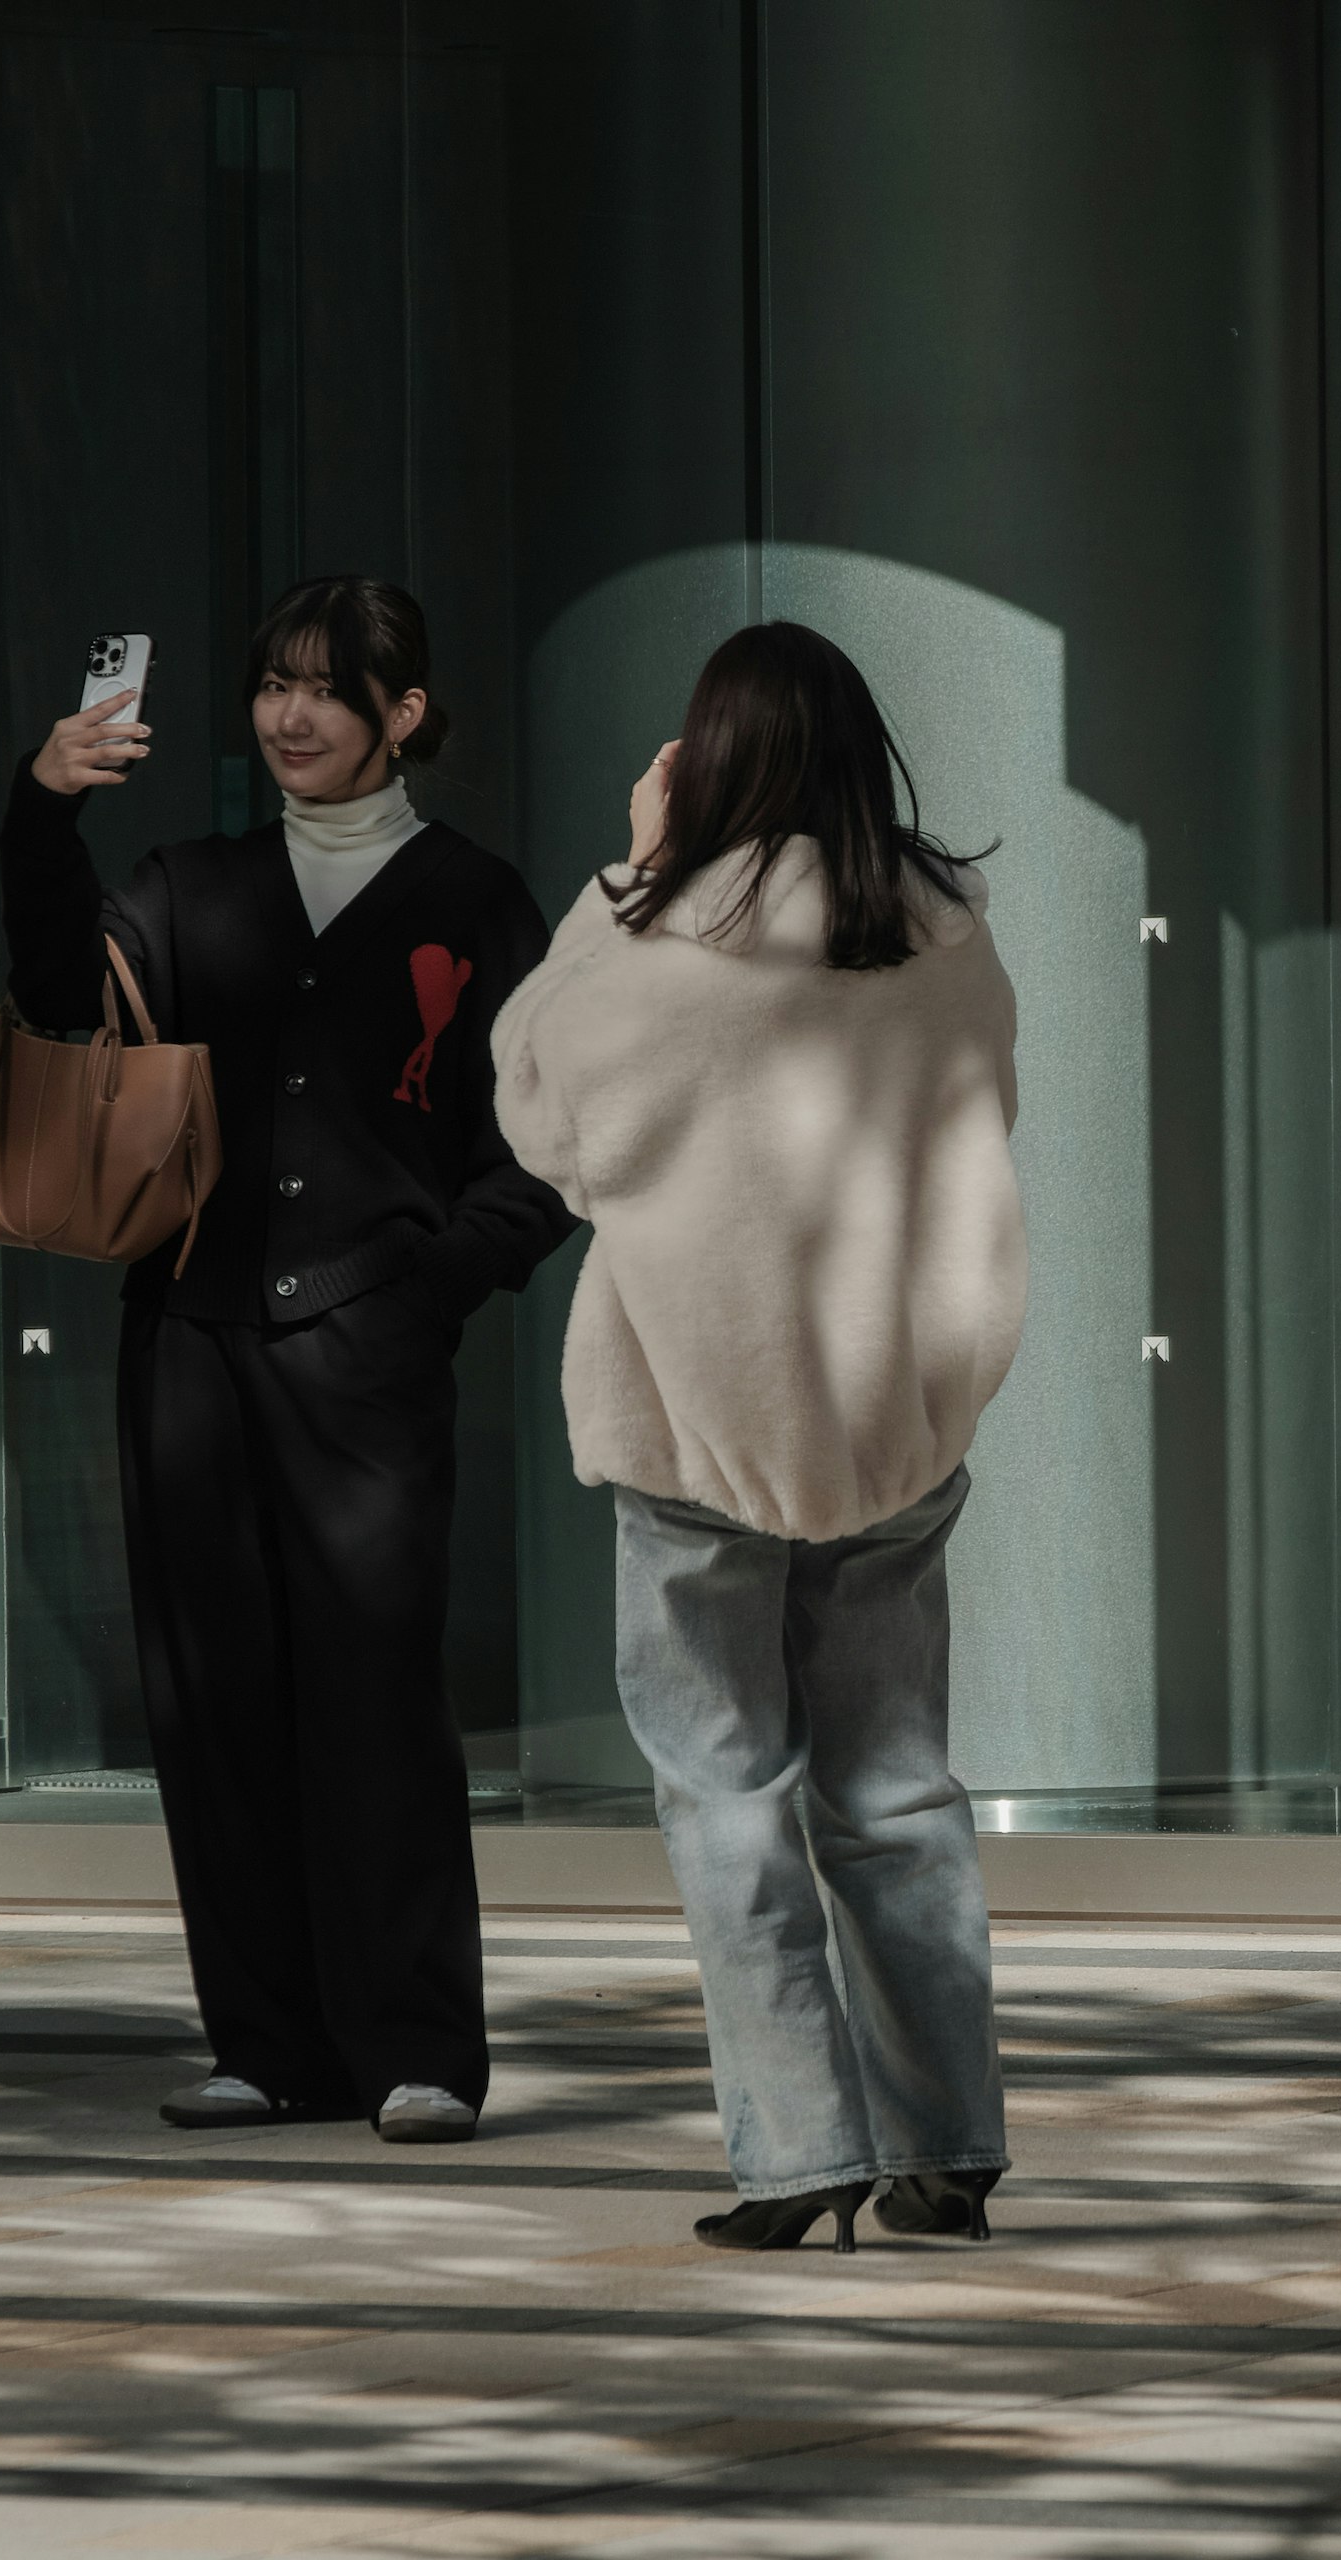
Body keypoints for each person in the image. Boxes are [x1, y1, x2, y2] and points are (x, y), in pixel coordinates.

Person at [8, 575, 573, 2145]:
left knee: (377, 1699)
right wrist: (41, 817)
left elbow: (541, 1156)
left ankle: (415, 2052)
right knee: (213, 1700)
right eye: (272, 685)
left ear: (403, 713)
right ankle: (265, 2043)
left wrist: (420, 1291)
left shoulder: (477, 901)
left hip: (367, 1358)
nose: (291, 715)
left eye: (329, 689)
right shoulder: (193, 882)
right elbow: (63, 1011)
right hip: (188, 1344)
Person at [491, 620, 1021, 2256]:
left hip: (693, 1432)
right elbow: (987, 1136)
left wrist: (625, 875)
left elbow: (540, 1117)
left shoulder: (654, 955)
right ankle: (949, 2143)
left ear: (703, 762)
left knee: (725, 1792)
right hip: (893, 1431)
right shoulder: (949, 942)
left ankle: (796, 2157)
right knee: (896, 1787)